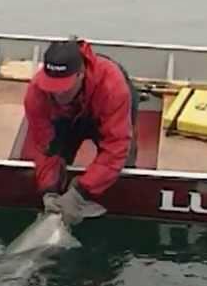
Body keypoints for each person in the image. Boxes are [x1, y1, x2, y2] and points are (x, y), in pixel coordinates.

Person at [24, 39, 138, 226]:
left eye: (64, 87)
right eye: (51, 87)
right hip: (66, 119)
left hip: (103, 111)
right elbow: (44, 145)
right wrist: (49, 190)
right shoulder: (37, 92)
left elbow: (116, 148)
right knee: (54, 162)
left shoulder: (113, 88)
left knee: (124, 159)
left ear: (81, 74)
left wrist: (80, 192)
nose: (58, 94)